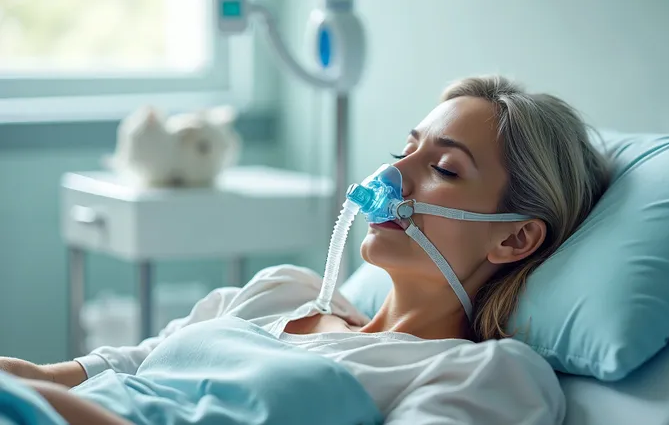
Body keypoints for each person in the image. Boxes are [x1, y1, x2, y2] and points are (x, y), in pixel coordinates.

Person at [0, 75, 609, 425]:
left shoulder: (481, 373)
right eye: (406, 150)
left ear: (514, 236)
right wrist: (34, 380)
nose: (393, 176)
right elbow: (125, 367)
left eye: (444, 169)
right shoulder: (282, 291)